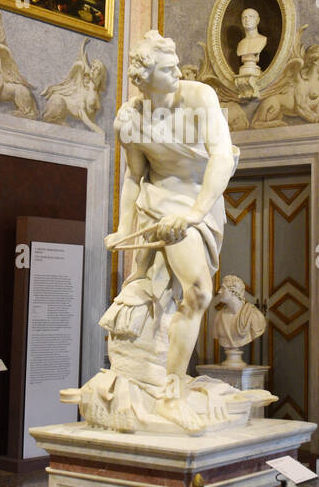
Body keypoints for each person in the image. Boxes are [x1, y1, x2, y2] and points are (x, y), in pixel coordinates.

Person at [108, 31, 237, 392]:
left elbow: (222, 157)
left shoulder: (199, 97)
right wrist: (122, 228)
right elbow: (134, 176)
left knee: (193, 292)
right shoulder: (130, 121)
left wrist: (196, 213)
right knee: (197, 292)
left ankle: (171, 382)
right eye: (167, 69)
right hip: (159, 203)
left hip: (199, 202)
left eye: (176, 63)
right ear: (144, 78)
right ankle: (171, 383)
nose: (178, 71)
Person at [212, 274, 266, 365]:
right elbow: (215, 335)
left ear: (234, 291)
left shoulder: (254, 316)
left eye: (223, 288)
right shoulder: (218, 317)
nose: (219, 291)